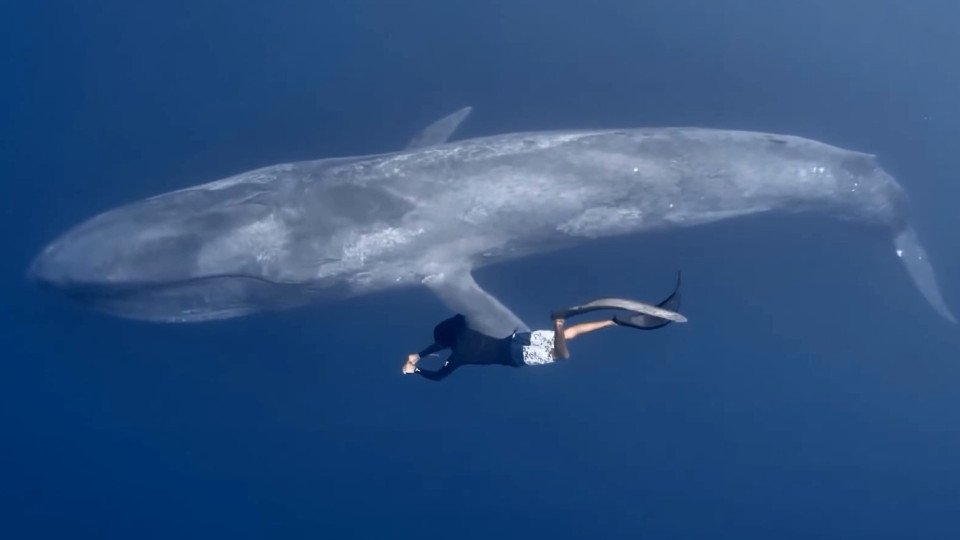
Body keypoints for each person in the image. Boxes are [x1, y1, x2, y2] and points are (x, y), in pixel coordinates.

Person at [402, 314, 622, 381]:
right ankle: (611, 322)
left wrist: (416, 369)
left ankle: (558, 323)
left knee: (560, 354)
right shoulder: (465, 330)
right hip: (514, 338)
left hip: (514, 354)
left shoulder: (459, 356)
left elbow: (439, 375)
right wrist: (419, 354)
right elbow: (441, 342)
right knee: (567, 335)